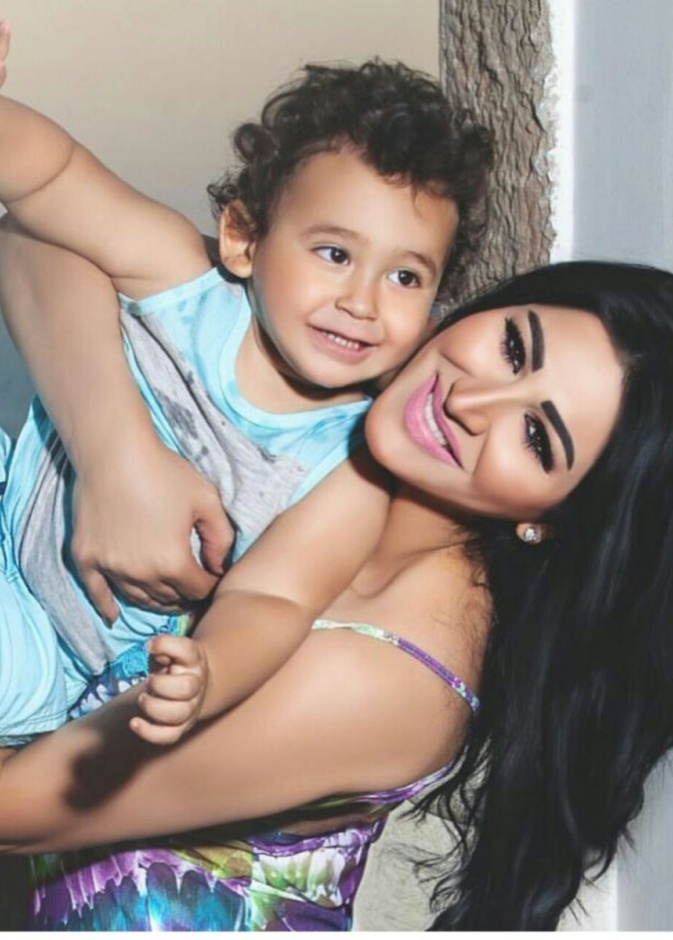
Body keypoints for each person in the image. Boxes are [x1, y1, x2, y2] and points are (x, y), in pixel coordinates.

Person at [2, 250, 673, 931]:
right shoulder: (369, 339)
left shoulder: (383, 677)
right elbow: (41, 243)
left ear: (551, 521)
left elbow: (17, 810)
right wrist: (114, 459)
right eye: (513, 347)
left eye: (535, 437)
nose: (467, 402)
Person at [0, 22, 492, 745]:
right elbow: (51, 179)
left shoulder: (351, 459)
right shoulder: (183, 284)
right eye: (334, 253)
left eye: (404, 276)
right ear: (243, 238)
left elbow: (272, 599)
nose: (362, 302)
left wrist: (209, 674)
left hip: (53, 652)